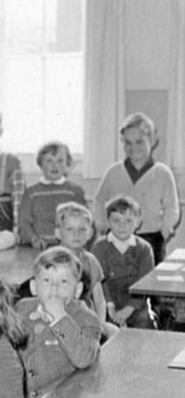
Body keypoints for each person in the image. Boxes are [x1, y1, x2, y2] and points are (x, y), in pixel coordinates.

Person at [17, 247, 101, 398]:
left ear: (78, 290)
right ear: (34, 287)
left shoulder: (87, 319)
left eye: (64, 281)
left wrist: (60, 317)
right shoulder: (22, 309)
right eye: (46, 280)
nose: (54, 288)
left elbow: (84, 358)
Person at [94, 112, 179, 263]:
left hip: (151, 237)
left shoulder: (162, 173)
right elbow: (99, 201)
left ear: (152, 141)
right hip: (116, 236)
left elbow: (171, 207)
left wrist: (164, 232)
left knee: (147, 280)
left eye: (139, 142)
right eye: (128, 142)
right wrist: (103, 226)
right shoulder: (114, 172)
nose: (133, 147)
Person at [91, 195, 157, 329]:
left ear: (138, 223)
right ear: (108, 222)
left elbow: (145, 284)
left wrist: (129, 309)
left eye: (128, 220)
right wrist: (110, 307)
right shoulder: (99, 247)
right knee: (103, 329)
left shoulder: (144, 248)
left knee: (144, 323)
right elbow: (99, 282)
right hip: (107, 301)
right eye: (116, 221)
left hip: (136, 302)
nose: (122, 225)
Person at [19, 141, 87, 249]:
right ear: (40, 164)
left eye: (60, 161)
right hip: (38, 248)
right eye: (49, 161)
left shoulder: (75, 192)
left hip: (69, 248)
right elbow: (24, 224)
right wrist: (33, 239)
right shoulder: (31, 193)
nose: (55, 165)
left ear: (67, 164)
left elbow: (85, 222)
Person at [54, 202, 108, 328]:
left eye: (82, 229)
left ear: (90, 233)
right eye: (69, 229)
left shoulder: (91, 261)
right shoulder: (51, 260)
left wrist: (100, 325)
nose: (76, 234)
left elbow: (99, 300)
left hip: (86, 321)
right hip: (58, 320)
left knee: (114, 333)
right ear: (58, 232)